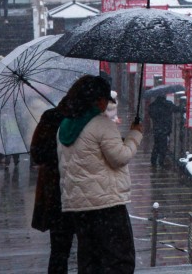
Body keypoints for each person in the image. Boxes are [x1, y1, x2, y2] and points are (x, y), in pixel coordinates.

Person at [57, 74, 143, 273]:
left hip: (79, 206)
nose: (106, 104)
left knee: (90, 260)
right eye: (105, 100)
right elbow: (119, 157)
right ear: (97, 100)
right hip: (106, 204)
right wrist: (135, 135)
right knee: (119, 260)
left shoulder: (65, 126)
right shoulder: (102, 124)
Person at [31, 90, 78, 274]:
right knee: (82, 251)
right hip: (70, 192)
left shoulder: (52, 117)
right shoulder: (80, 121)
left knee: (59, 251)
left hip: (56, 193)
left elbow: (37, 153)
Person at [147, 96, 181, 168]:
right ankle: (161, 162)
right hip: (165, 129)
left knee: (156, 145)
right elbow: (176, 109)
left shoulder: (153, 105)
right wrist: (184, 108)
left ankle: (153, 160)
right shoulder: (167, 104)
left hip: (157, 129)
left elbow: (151, 114)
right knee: (163, 146)